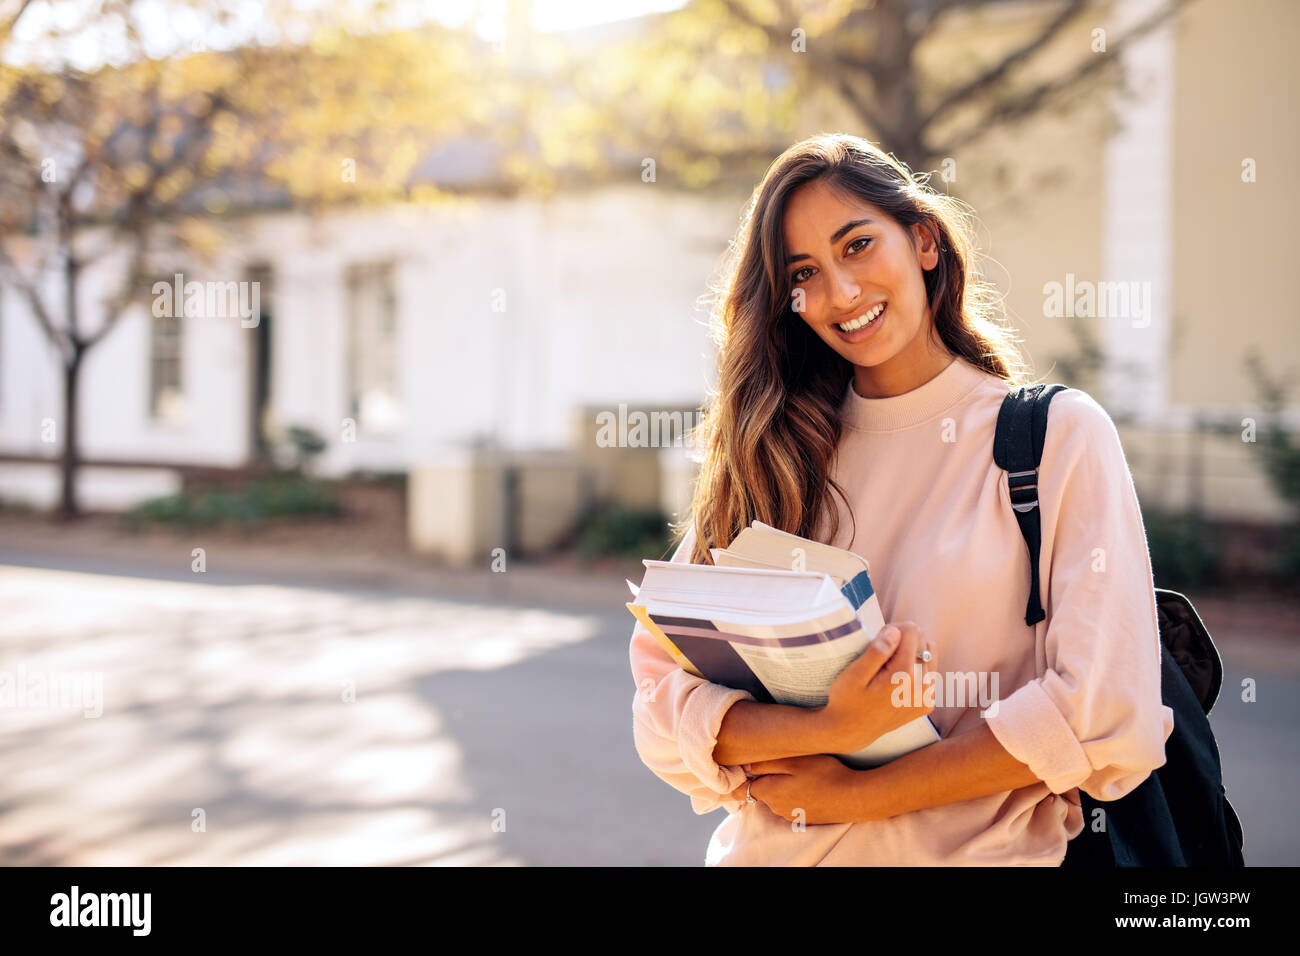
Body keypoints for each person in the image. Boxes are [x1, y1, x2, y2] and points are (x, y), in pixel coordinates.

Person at [628, 132, 1175, 866]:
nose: (842, 293)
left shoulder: (1053, 439)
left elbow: (1102, 714)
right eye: (805, 273)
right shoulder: (775, 454)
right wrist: (831, 728)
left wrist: (855, 795)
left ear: (922, 240)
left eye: (857, 246)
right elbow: (662, 711)